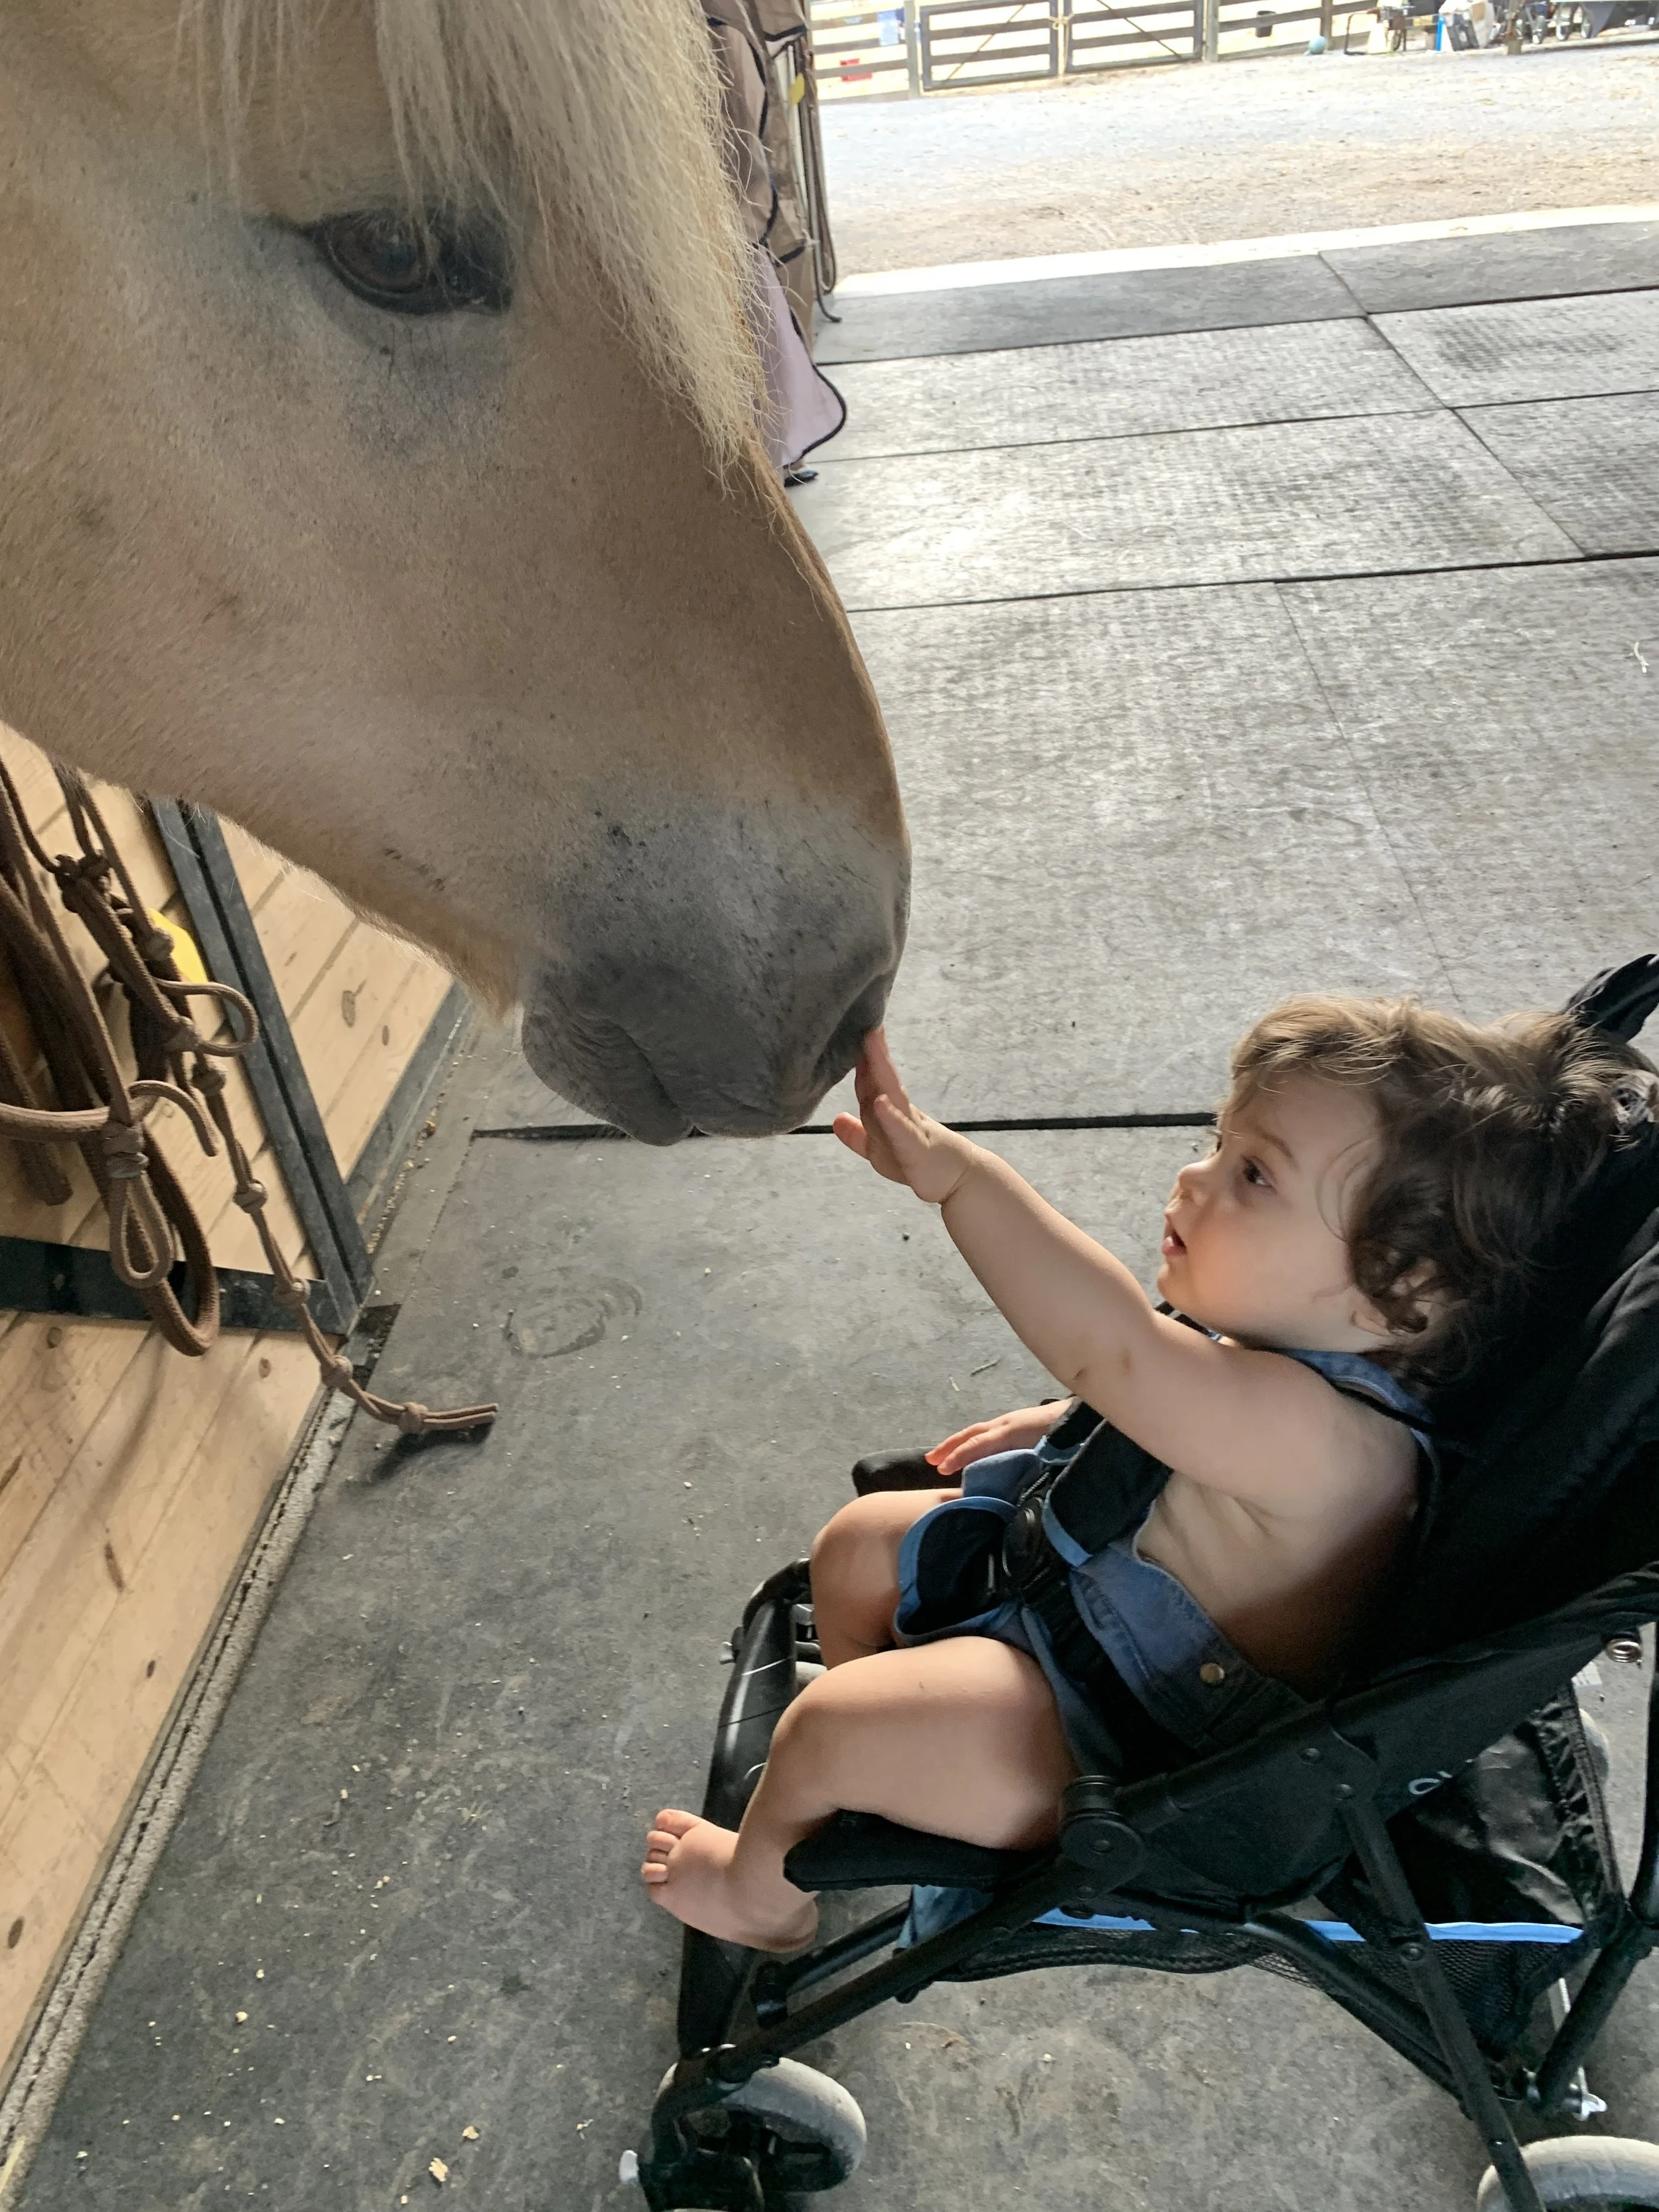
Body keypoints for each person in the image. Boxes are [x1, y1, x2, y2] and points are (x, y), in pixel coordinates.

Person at [641, 999, 1654, 1952]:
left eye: (1254, 1175)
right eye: (1219, 1143)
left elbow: (1121, 1353)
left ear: (1402, 1289)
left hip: (1125, 1758)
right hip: (1072, 1628)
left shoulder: (1329, 1443)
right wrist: (1065, 1424)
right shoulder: (1295, 1368)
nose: (1194, 1178)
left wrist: (959, 1181)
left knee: (827, 1722)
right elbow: (1168, 1408)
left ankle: (762, 1899)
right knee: (859, 1544)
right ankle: (877, 1780)